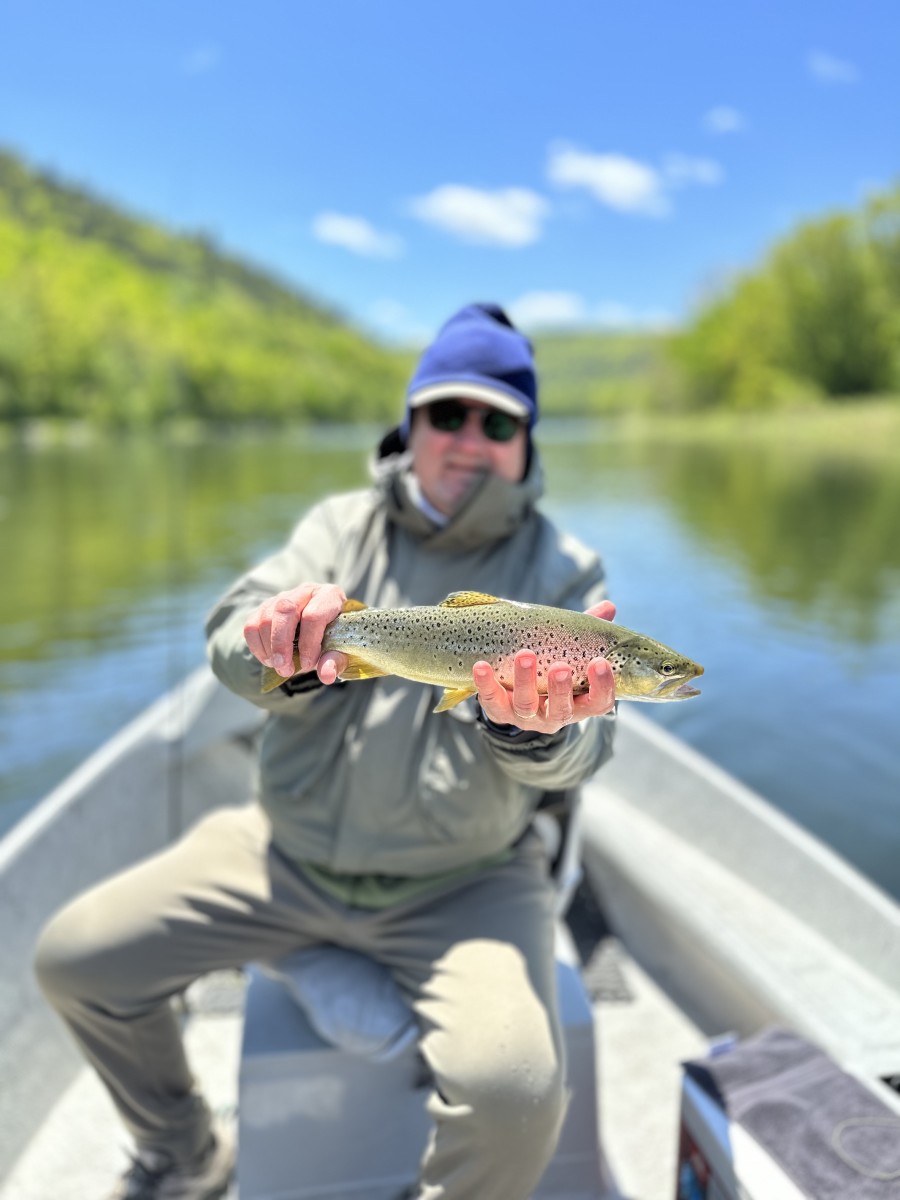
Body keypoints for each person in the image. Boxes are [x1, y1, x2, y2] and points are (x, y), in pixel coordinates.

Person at [34, 302, 618, 1200]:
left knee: (519, 1097)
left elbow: (586, 750)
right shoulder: (338, 528)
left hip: (463, 878)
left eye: (497, 421)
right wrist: (273, 651)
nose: (469, 439)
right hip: (282, 851)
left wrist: (533, 726)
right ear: (411, 423)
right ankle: (188, 1156)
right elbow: (229, 636)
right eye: (447, 414)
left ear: (526, 440)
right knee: (75, 959)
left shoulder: (565, 574)